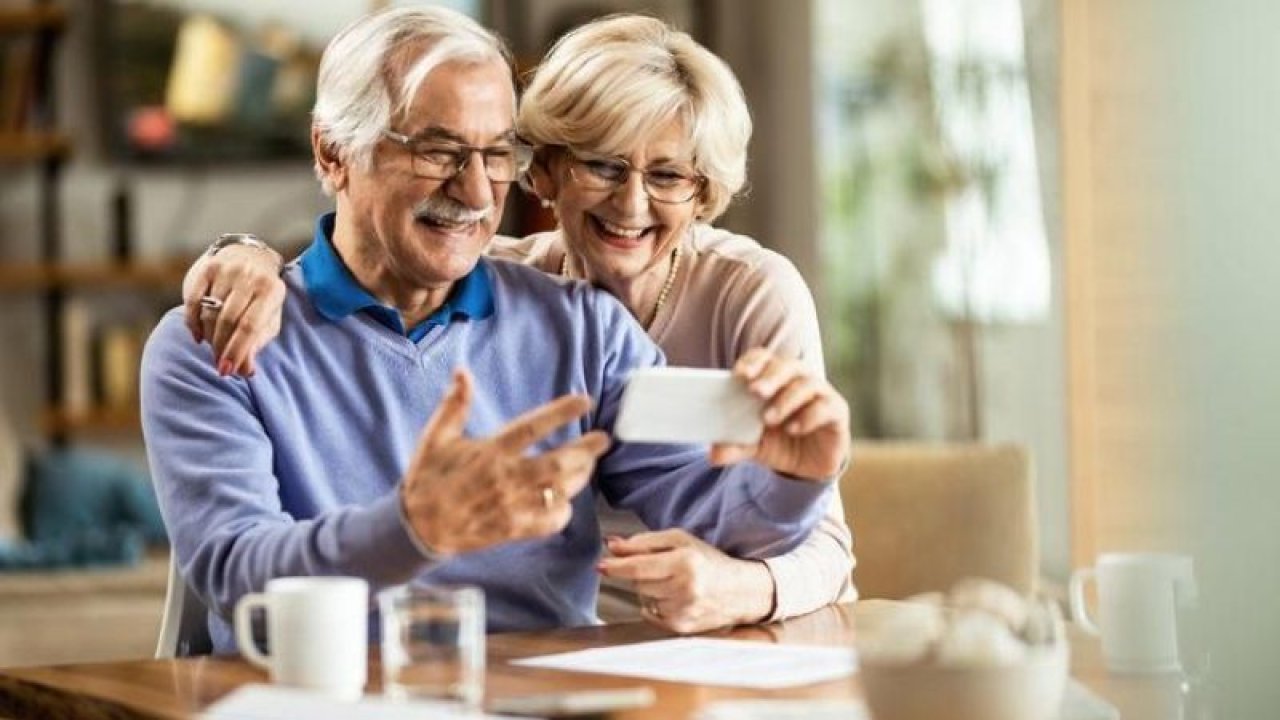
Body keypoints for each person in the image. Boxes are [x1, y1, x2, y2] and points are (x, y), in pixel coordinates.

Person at [143, 7, 849, 655]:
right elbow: (237, 574)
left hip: (548, 696)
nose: (477, 193)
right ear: (332, 154)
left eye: (494, 155)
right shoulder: (210, 343)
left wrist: (793, 477)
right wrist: (413, 528)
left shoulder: (582, 325)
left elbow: (717, 517)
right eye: (439, 151)